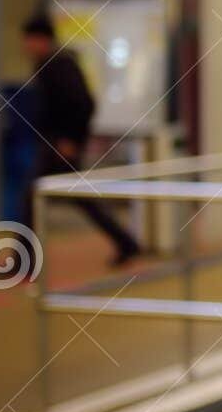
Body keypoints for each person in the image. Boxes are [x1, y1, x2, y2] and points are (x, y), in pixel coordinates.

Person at [18, 14, 140, 268]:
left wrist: (70, 140)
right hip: (56, 144)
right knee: (78, 199)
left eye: (28, 40)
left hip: (60, 146)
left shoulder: (58, 65)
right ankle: (126, 243)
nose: (25, 46)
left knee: (32, 198)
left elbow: (83, 103)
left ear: (40, 39)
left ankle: (23, 262)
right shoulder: (49, 63)